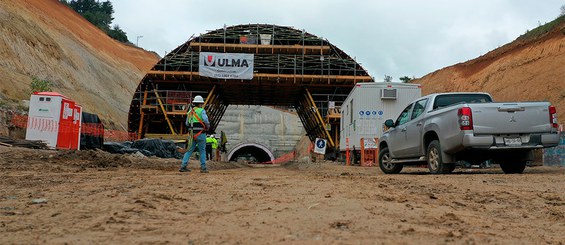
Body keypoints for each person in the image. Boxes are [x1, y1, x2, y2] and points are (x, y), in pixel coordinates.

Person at [179, 95, 210, 173]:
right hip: (201, 134)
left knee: (189, 150)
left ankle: (183, 166)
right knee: (202, 151)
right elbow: (206, 120)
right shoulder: (201, 111)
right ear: (200, 104)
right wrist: (208, 127)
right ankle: (203, 168)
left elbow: (187, 123)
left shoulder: (190, 112)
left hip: (192, 135)